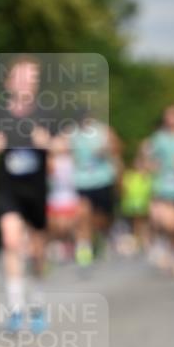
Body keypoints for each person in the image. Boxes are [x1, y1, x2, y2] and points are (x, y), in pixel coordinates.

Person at [0, 55, 51, 333]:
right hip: (8, 188)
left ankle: (37, 302)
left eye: (31, 79)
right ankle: (14, 307)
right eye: (21, 78)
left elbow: (61, 143)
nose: (26, 84)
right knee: (12, 241)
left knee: (36, 251)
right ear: (9, 82)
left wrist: (48, 142)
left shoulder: (46, 113)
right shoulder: (0, 113)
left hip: (36, 191)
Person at [69, 112, 121, 267]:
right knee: (83, 214)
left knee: (103, 217)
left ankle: (102, 237)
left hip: (102, 180)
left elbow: (117, 147)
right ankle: (84, 249)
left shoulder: (103, 131)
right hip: (82, 182)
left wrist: (107, 149)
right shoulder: (71, 133)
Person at [143, 104, 174, 274]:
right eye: (169, 116)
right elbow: (148, 160)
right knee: (172, 224)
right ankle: (166, 247)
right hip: (165, 185)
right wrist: (151, 167)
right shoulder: (158, 138)